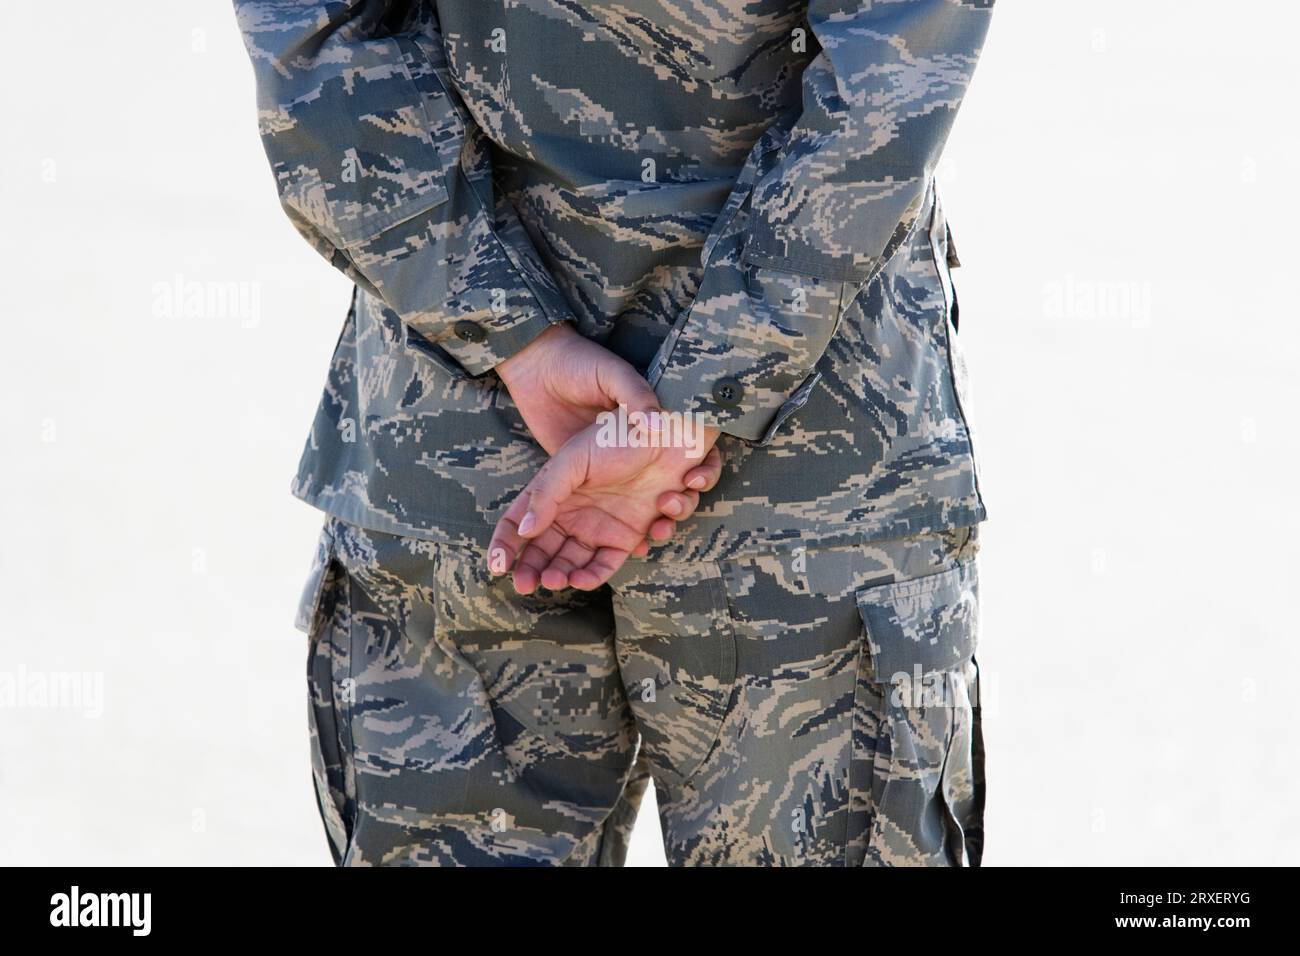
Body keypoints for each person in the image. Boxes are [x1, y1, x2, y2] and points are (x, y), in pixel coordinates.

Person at [235, 0, 994, 866]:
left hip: (462, 450)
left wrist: (513, 333)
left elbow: (315, 38)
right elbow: (891, 77)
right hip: (805, 472)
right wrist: (695, 396)